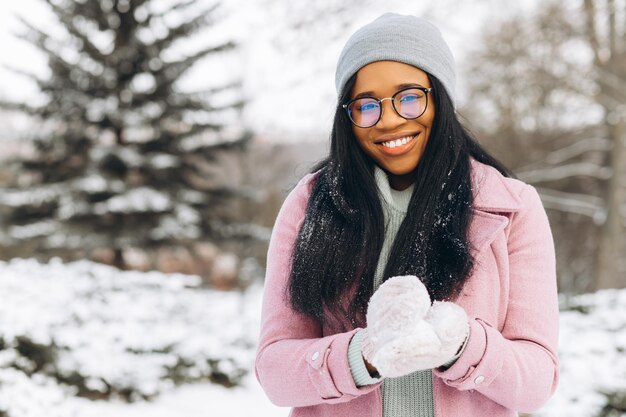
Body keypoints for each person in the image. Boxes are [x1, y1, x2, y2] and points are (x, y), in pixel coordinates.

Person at [255, 12, 559, 417]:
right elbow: (274, 370)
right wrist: (363, 355)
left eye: (410, 97)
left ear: (440, 99)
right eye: (366, 105)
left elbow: (537, 381)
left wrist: (461, 344)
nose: (390, 119)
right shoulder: (311, 205)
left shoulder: (512, 207)